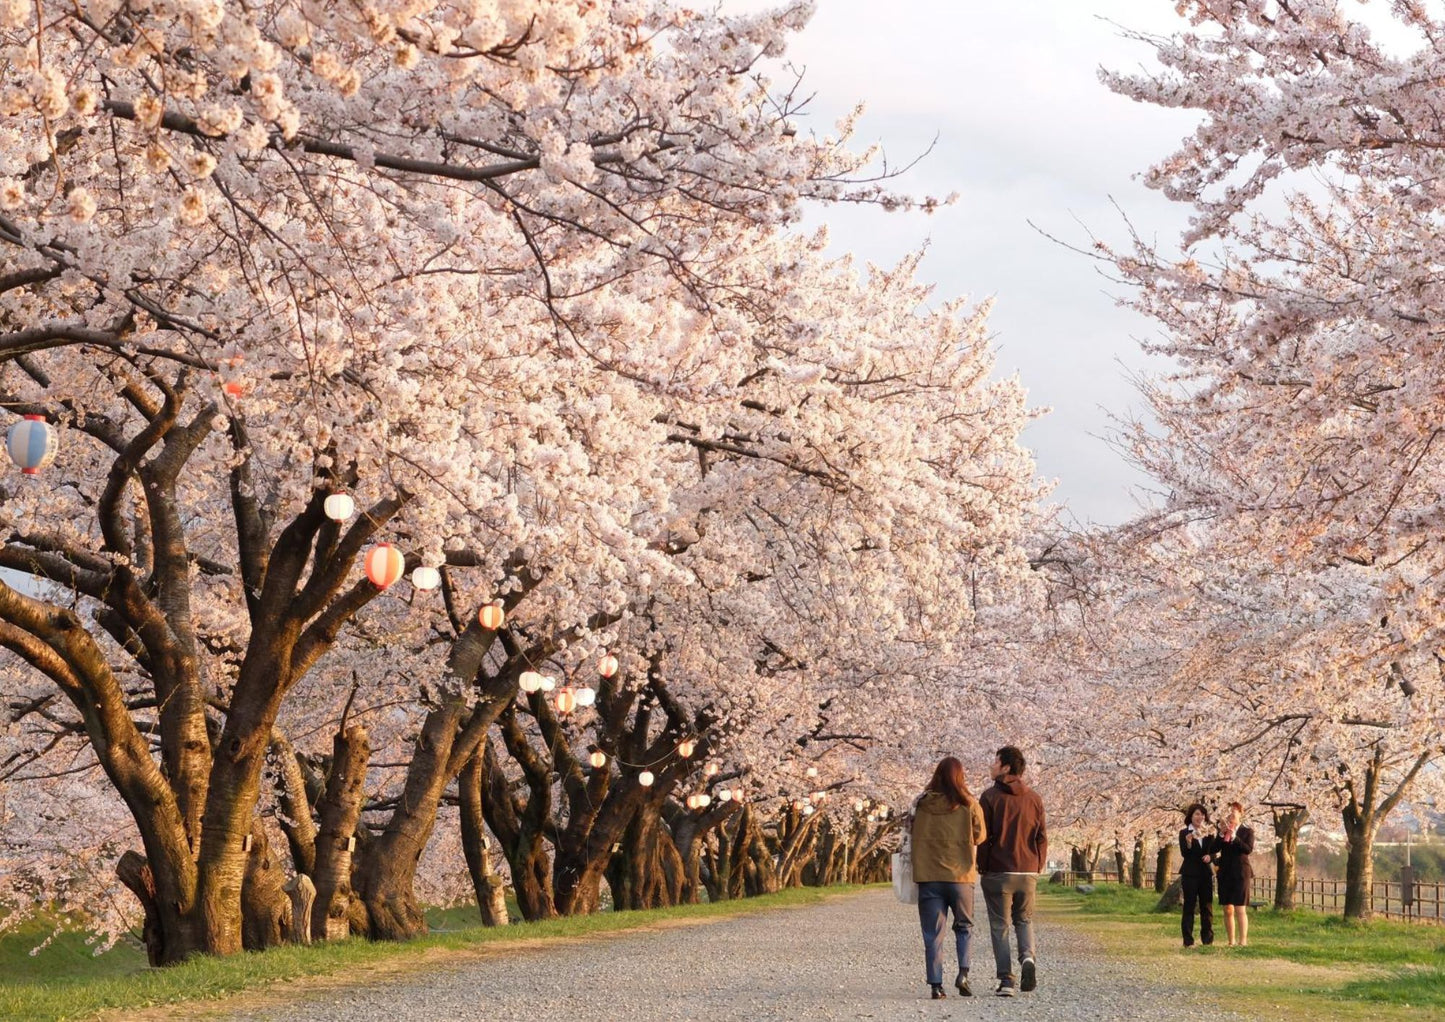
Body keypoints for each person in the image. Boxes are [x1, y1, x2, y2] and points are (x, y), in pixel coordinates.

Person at [909, 756, 988, 999]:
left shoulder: (920, 803)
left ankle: (936, 985)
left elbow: (909, 830)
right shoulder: (969, 804)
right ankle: (963, 974)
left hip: (929, 876)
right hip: (960, 876)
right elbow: (980, 836)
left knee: (933, 934)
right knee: (964, 927)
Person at [978, 745, 1048, 997]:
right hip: (1028, 871)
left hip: (998, 870)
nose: (991, 765)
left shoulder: (989, 797)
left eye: (995, 761)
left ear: (1005, 767)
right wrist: (1037, 865)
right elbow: (1041, 837)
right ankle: (1028, 958)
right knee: (1024, 920)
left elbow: (983, 838)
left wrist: (982, 866)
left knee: (1000, 926)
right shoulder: (1034, 798)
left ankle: (1006, 980)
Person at [1215, 801, 1255, 946]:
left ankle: (1242, 941)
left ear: (1240, 813)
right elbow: (1214, 847)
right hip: (1225, 872)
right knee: (1227, 908)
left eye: (1234, 811)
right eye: (1229, 811)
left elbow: (1248, 849)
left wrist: (1234, 838)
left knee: (1240, 908)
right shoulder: (1222, 830)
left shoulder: (1247, 831)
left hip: (1241, 872)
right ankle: (1230, 941)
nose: (1231, 814)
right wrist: (1221, 833)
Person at [1178, 803, 1217, 947]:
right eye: (1196, 814)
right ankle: (1188, 940)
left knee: (1206, 906)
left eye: (1202, 814)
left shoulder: (1209, 832)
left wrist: (1210, 857)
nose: (1200, 817)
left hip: (1205, 873)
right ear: (1191, 816)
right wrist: (1188, 843)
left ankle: (1207, 939)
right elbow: (1184, 853)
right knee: (1189, 906)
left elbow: (1213, 851)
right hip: (1190, 873)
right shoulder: (1184, 833)